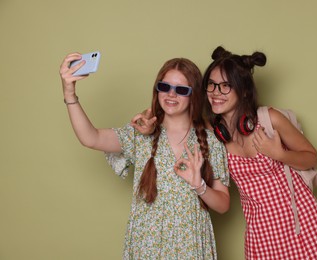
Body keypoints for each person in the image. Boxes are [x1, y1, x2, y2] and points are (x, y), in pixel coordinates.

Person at [134, 46, 317, 259]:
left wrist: (279, 154)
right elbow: (175, 116)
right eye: (212, 85)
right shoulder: (212, 132)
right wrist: (148, 123)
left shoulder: (270, 119)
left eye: (225, 86)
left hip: (301, 225)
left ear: (243, 91)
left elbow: (311, 156)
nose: (216, 93)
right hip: (260, 233)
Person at [59, 53, 230, 259]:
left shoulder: (210, 141)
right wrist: (69, 93)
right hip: (146, 245)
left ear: (194, 94)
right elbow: (91, 137)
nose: (171, 95)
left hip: (191, 246)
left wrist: (199, 185)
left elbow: (223, 205)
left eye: (181, 90)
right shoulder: (140, 134)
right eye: (165, 87)